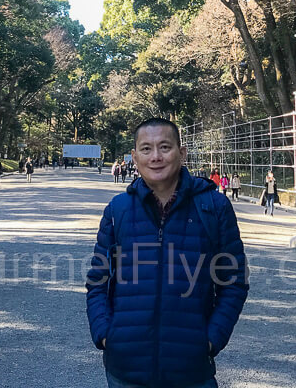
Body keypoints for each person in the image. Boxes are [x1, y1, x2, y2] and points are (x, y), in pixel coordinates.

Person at [86, 118, 248, 388]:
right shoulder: (118, 209)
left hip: (191, 369)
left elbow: (234, 281)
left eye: (165, 147)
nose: (156, 157)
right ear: (135, 157)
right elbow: (97, 280)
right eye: (146, 149)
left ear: (181, 153)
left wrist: (211, 339)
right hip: (125, 368)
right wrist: (105, 334)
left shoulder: (213, 206)